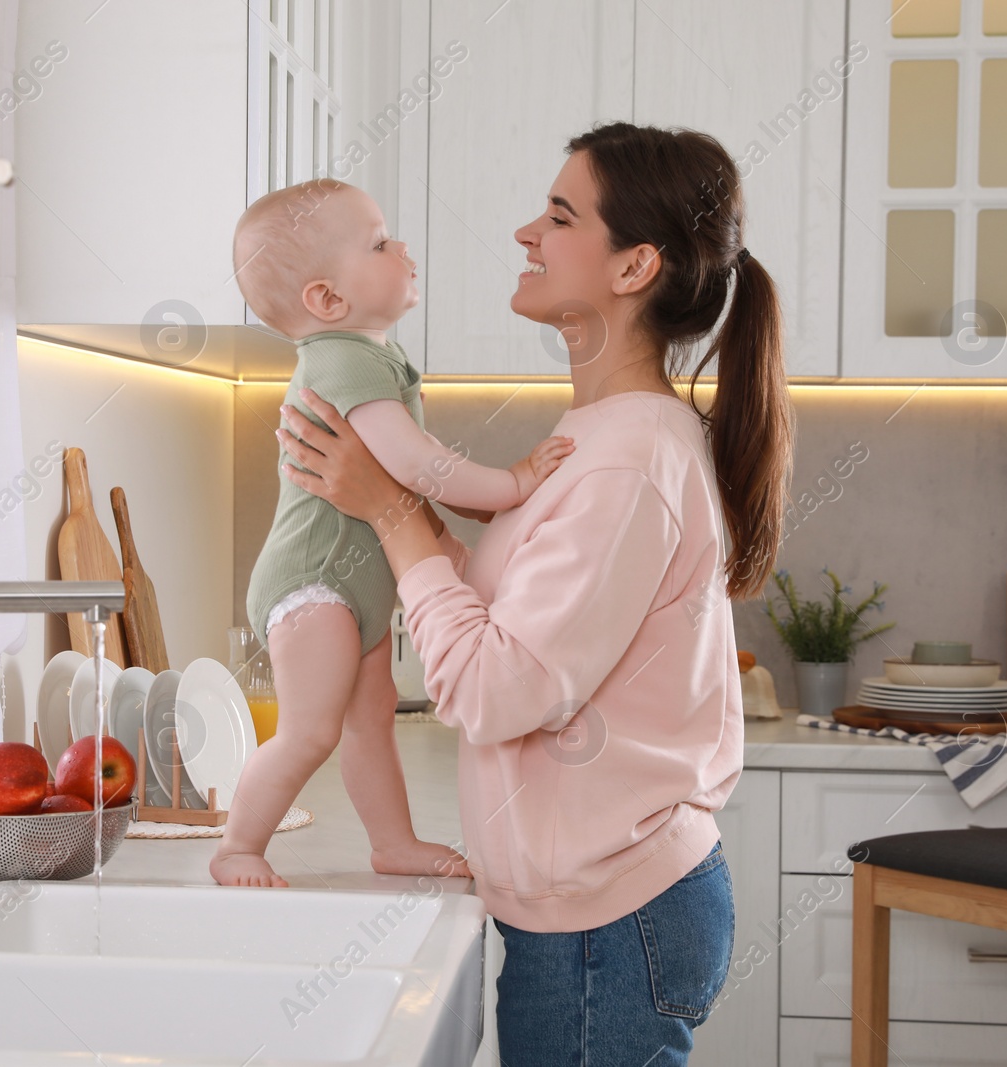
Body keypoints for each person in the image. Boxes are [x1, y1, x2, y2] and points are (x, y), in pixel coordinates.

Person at [271, 122, 793, 1065]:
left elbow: (496, 688)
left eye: (559, 215)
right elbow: (507, 618)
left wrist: (391, 516)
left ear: (635, 266)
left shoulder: (627, 461)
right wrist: (382, 504)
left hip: (611, 924)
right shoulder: (599, 439)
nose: (526, 233)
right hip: (600, 912)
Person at [213, 178, 577, 889]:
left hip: (354, 583)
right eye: (379, 243)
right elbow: (415, 464)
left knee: (369, 720)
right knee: (312, 730)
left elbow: (404, 480)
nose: (402, 247)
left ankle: (393, 842)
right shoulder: (340, 358)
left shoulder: (367, 356)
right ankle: (237, 846)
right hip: (314, 584)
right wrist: (514, 482)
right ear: (327, 300)